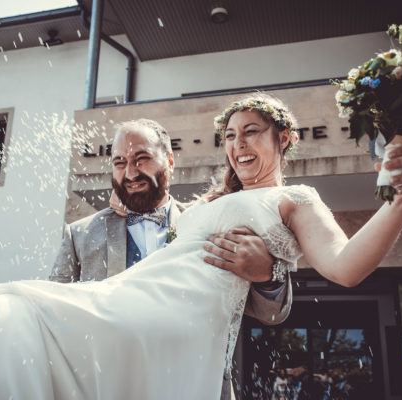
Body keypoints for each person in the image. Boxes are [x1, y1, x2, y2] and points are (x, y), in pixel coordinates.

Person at [0, 93, 402, 400]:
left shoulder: (295, 199)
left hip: (174, 332)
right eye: (230, 135)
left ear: (286, 137)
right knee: (1, 315)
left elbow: (345, 268)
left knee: (4, 308)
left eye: (251, 132)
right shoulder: (209, 204)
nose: (238, 145)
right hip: (122, 306)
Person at [51, 118, 293, 398]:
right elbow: (56, 320)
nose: (130, 173)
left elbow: (272, 313)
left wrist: (267, 274)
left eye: (142, 159)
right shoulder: (79, 235)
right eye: (119, 163)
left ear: (169, 161)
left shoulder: (209, 223)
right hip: (105, 387)